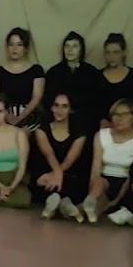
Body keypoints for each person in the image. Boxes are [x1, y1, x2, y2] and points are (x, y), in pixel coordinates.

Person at [86, 100, 133, 225]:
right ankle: (89, 206)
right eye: (115, 114)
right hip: (105, 180)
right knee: (99, 187)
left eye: (124, 114)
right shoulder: (101, 135)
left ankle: (76, 210)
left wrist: (116, 200)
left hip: (126, 183)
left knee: (107, 203)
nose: (119, 118)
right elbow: (95, 170)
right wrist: (93, 189)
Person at [32, 93, 89, 221]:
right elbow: (48, 153)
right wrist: (55, 174)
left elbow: (70, 160)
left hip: (67, 173)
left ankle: (59, 203)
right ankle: (61, 203)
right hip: (47, 171)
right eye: (56, 106)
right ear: (51, 108)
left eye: (64, 106)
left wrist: (57, 175)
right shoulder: (41, 130)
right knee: (42, 181)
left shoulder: (79, 133)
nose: (59, 110)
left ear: (71, 109)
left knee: (69, 182)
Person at [87, 33, 133, 131]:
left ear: (123, 53)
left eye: (116, 52)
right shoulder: (96, 76)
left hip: (129, 127)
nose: (111, 56)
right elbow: (92, 106)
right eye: (108, 52)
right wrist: (102, 120)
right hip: (102, 127)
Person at [0, 27, 45, 130]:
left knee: (23, 135)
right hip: (3, 115)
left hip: (29, 115)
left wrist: (20, 118)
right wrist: (7, 116)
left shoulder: (36, 70)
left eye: (19, 45)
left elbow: (36, 98)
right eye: (11, 44)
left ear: (26, 48)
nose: (14, 48)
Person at [42, 31, 97, 115]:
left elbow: (94, 100)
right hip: (58, 119)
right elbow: (48, 101)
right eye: (67, 46)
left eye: (75, 46)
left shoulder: (91, 72)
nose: (70, 50)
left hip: (84, 119)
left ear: (81, 49)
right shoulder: (54, 72)